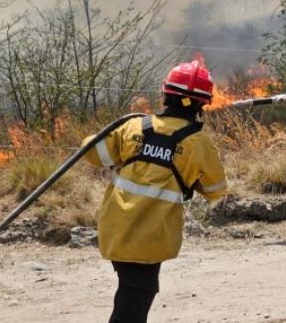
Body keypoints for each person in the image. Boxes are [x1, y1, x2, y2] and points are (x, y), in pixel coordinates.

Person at [81, 60, 228, 323]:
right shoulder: (198, 143)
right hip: (150, 238)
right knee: (135, 299)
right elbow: (215, 189)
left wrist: (95, 139)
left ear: (166, 95)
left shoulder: (134, 126)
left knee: (132, 293)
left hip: (116, 229)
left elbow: (92, 153)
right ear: (199, 104)